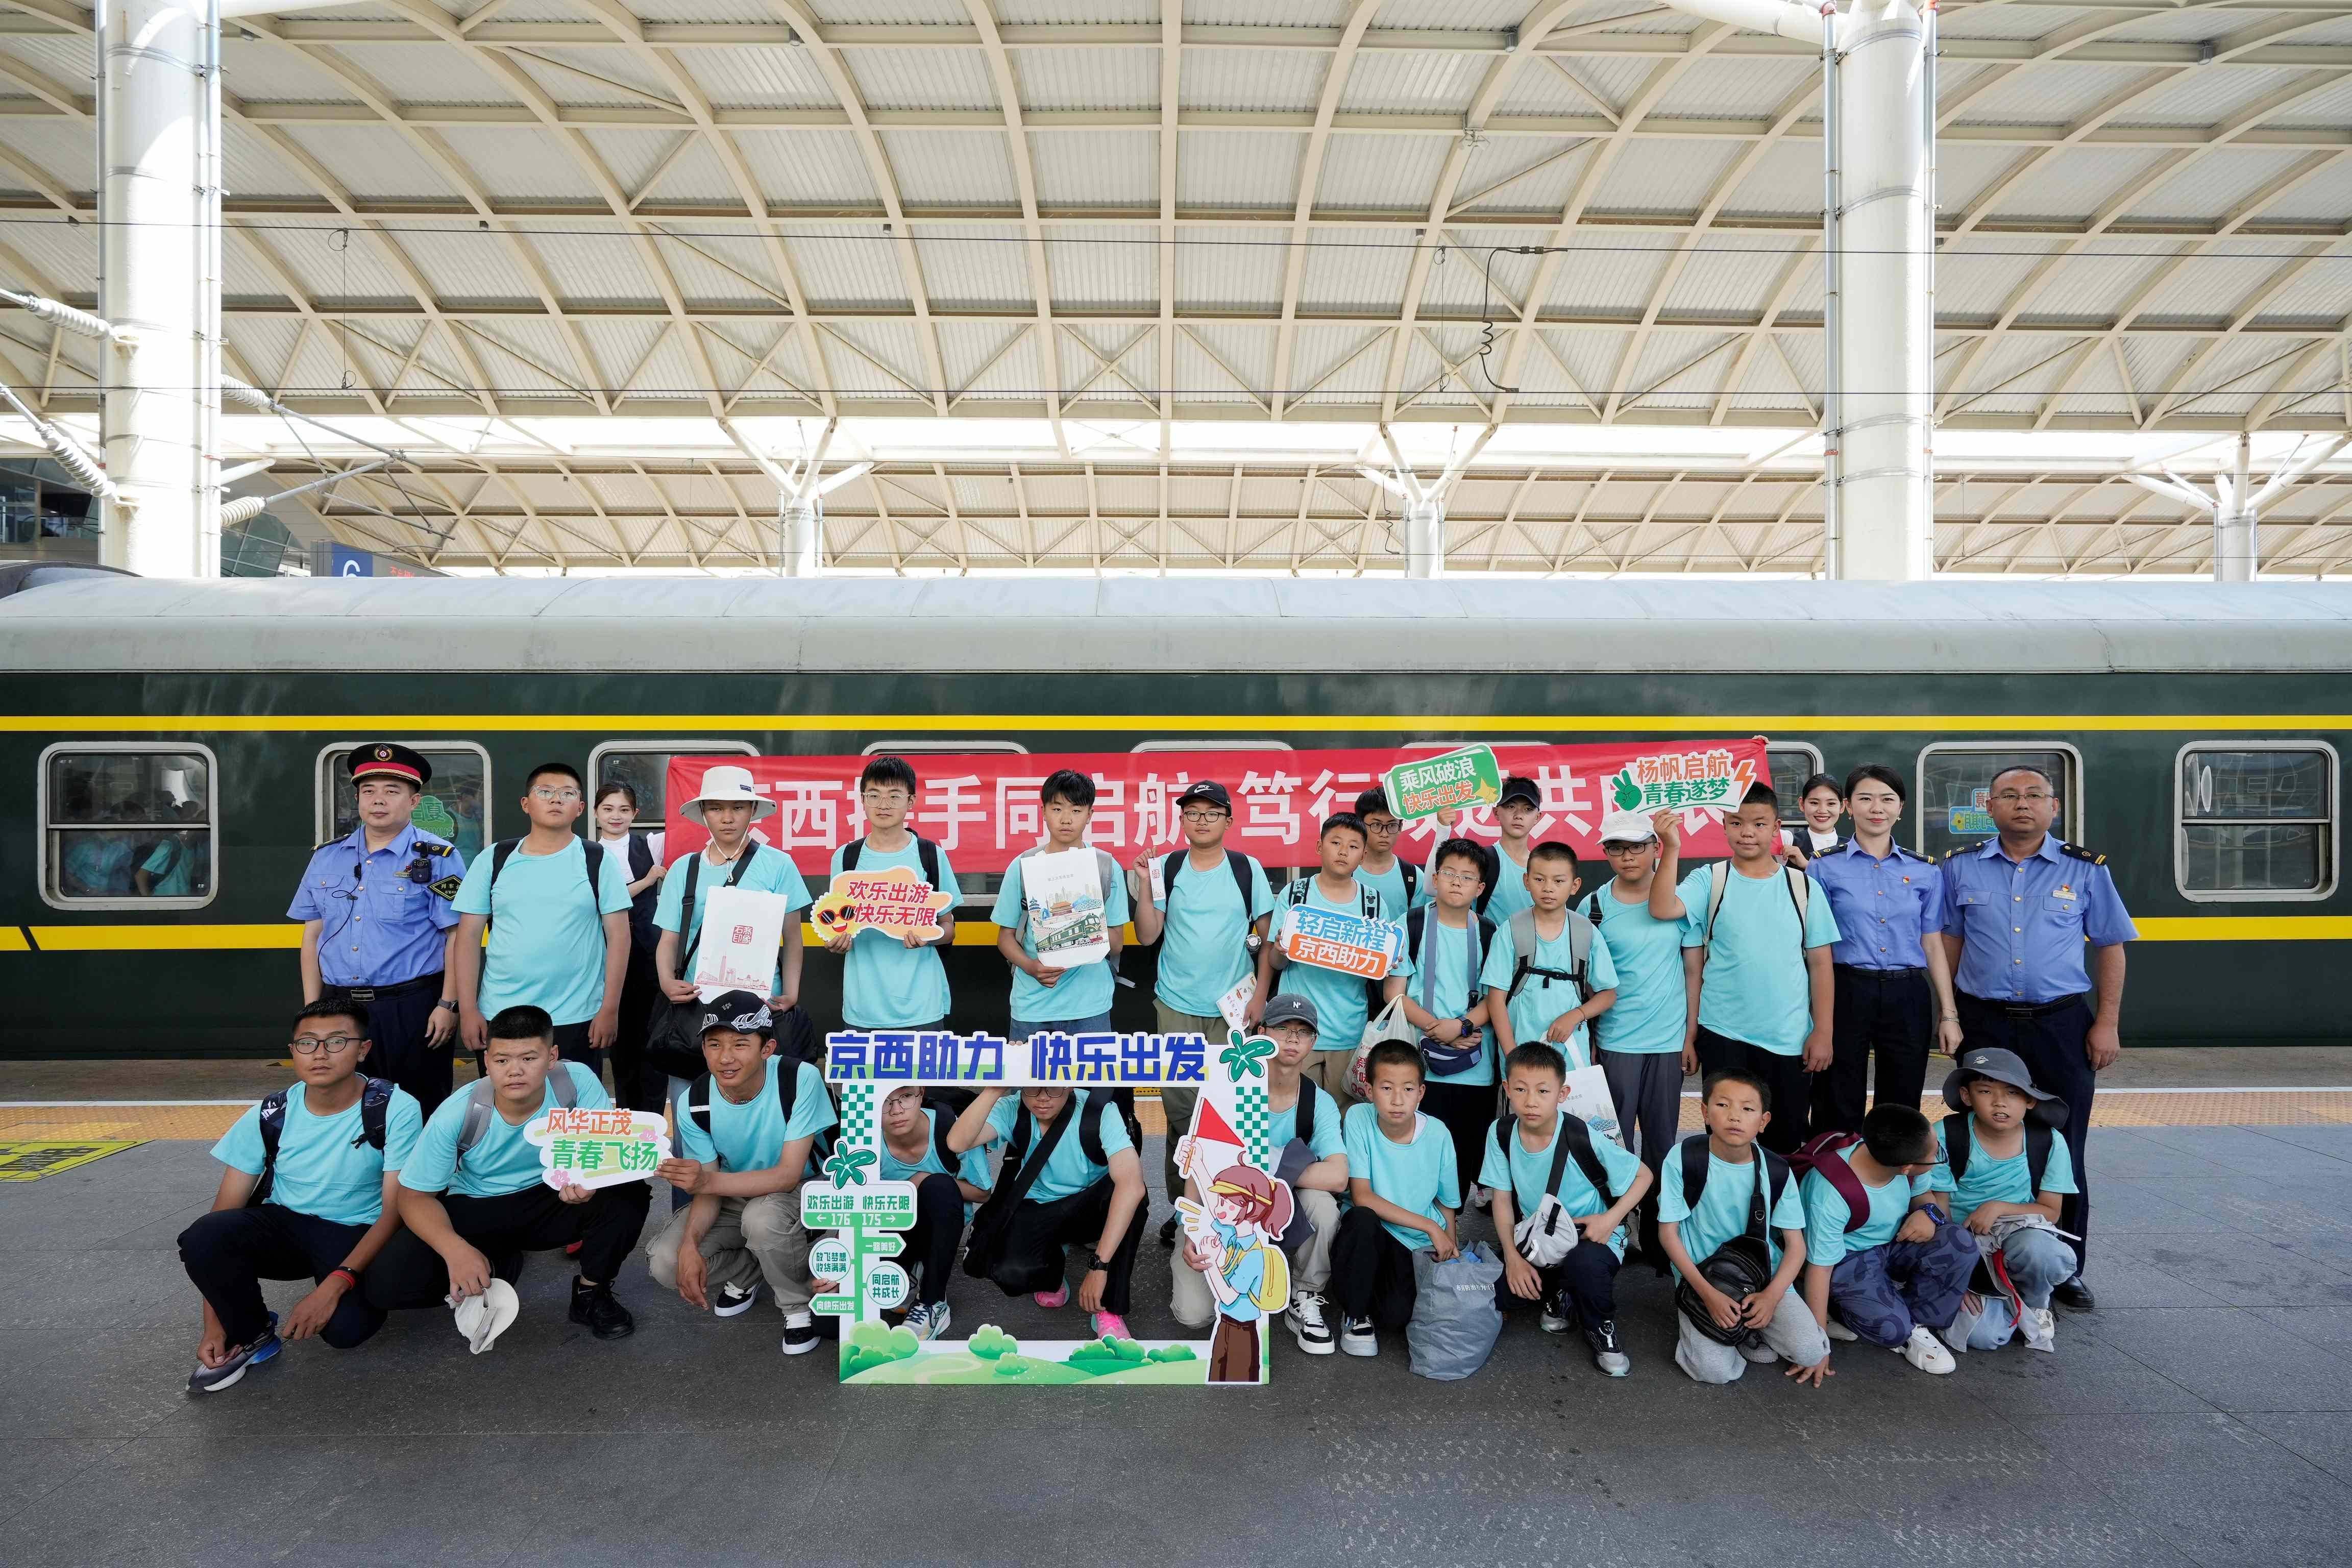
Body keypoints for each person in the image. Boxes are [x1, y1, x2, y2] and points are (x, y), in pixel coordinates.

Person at [1939, 763, 2133, 1313]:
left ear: (2054, 807)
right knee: (1978, 1132)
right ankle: (1968, 1256)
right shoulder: (1961, 868)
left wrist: (2107, 1022)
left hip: (2061, 1023)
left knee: (2065, 1143)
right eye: (2009, 795)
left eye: (2034, 795)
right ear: (1990, 807)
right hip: (1985, 1020)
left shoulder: (2086, 869)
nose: (2022, 804)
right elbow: (1949, 944)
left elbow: (2111, 946)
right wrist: (1948, 1014)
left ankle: (2065, 1266)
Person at [176, 999, 425, 1393]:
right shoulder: (271, 1112)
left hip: (357, 1230)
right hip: (286, 1225)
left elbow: (396, 1210)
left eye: (336, 1042)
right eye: (307, 1043)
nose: (320, 1054)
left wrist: (336, 1284)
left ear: (363, 1050)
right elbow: (220, 1218)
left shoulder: (394, 1107)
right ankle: (253, 1333)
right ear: (293, 1051)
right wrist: (216, 1325)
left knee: (346, 1332)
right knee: (203, 1235)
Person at [363, 1005, 649, 1343]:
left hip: (552, 1197)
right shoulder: (458, 1113)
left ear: (552, 1057)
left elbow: (605, 1151)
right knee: (384, 1286)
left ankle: (591, 1293)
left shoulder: (576, 1083)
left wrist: (587, 1180)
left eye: (529, 1058)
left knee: (628, 1192)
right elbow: (413, 1197)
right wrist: (456, 1251)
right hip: (479, 1204)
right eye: (502, 1060)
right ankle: (497, 1263)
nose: (515, 1071)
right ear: (487, 1061)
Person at [644, 990, 838, 1356]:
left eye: (740, 1044)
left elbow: (787, 1175)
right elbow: (708, 1190)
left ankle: (796, 1308)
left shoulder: (799, 1078)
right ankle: (753, 1269)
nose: (725, 1057)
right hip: (733, 1192)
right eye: (714, 1044)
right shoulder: (695, 1100)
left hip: (805, 1188)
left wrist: (707, 1182)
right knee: (667, 1262)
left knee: (762, 1218)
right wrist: (689, 1245)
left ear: (767, 1048)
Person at [1651, 784, 1841, 1156]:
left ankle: (1776, 1195)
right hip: (1723, 1033)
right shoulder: (1710, 880)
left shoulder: (1803, 887)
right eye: (1736, 823)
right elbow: (1662, 908)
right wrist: (1670, 846)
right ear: (1724, 825)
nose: (1747, 832)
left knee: (1784, 1141)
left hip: (1789, 1038)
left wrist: (1823, 1032)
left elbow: (1821, 965)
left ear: (1777, 827)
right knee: (1724, 1140)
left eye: (1759, 823)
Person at [1129, 777, 1272, 1237]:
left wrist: (1261, 995)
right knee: (1181, 1113)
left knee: (1230, 1111)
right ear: (1183, 820)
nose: (1202, 821)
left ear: (1229, 821)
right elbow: (1147, 935)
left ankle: (1229, 1207)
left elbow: (1267, 938)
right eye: (1193, 813)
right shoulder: (1168, 868)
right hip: (1176, 1005)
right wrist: (1145, 885)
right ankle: (1183, 1210)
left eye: (1212, 813)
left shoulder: (1247, 869)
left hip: (1234, 1011)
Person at [289, 744, 467, 1114]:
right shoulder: (326, 857)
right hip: (340, 1005)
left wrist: (448, 1005)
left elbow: (456, 936)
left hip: (412, 1007)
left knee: (419, 1106)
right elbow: (312, 935)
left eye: (392, 791)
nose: (378, 800)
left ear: (414, 802)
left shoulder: (438, 858)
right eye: (368, 791)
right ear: (357, 799)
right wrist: (312, 1010)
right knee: (344, 1109)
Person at [1171, 994, 1347, 1354]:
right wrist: (1192, 1230)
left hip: (1277, 1210)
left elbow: (1338, 1177)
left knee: (1324, 1206)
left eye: (1303, 1032)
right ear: (1261, 1033)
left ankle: (1305, 1292)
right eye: (1283, 1028)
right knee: (1194, 1315)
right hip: (1221, 1212)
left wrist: (1266, 1173)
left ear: (1313, 1042)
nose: (1293, 1038)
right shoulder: (1231, 1089)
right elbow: (1199, 1164)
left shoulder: (1318, 1102)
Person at [1804, 765, 1963, 1135]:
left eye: (1887, 799)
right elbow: (1816, 946)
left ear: (1900, 808)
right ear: (1848, 807)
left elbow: (1932, 943)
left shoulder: (1926, 872)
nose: (1877, 808)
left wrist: (1949, 1014)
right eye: (1865, 799)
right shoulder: (1823, 868)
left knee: (1902, 1097)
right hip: (1845, 989)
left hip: (1907, 992)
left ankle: (1893, 1169)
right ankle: (1837, 1168)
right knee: (1836, 1094)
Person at [451, 762, 633, 1085]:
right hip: (501, 1013)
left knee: (571, 1108)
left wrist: (610, 1008)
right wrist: (468, 1010)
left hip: (578, 1015)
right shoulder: (494, 858)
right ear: (526, 804)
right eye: (545, 792)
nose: (556, 799)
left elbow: (619, 937)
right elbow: (467, 937)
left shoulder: (597, 859)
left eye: (568, 794)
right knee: (509, 1103)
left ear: (580, 808)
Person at [653, 764, 813, 1120]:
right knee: (691, 1106)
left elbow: (793, 938)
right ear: (703, 813)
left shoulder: (778, 865)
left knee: (761, 1105)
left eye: (738, 807)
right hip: (696, 1005)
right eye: (716, 808)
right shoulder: (685, 868)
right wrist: (666, 982)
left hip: (760, 1005)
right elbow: (668, 939)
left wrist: (791, 992)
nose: (727, 818)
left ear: (753, 810)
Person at [1482, 1043, 1650, 1377]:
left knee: (1585, 1266)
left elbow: (1644, 1175)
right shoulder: (1501, 1132)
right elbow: (1501, 1198)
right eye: (1521, 1090)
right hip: (1540, 1238)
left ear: (1562, 1094)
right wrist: (1513, 1258)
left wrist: (1611, 1220)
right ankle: (1562, 1291)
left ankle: (1599, 1325)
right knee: (1496, 1294)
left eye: (1543, 1091)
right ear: (1507, 1090)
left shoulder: (1579, 1135)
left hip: (1591, 1235)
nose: (1531, 1101)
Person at [1654, 1069, 1829, 1386]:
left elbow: (1796, 1246)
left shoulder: (1776, 1169)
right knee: (1714, 1372)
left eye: (1748, 1109)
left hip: (1762, 1277)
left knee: (1811, 1352)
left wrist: (1772, 1297)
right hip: (1704, 1278)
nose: (1735, 1116)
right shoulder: (1684, 1158)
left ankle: (1746, 1329)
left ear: (1763, 1121)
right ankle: (1731, 1337)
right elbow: (1668, 1234)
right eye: (1723, 1105)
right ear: (1705, 1112)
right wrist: (1708, 1295)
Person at [949, 1083, 1148, 1341]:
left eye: (1053, 1089)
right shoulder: (1013, 1108)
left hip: (1090, 1204)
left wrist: (1100, 1267)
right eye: (1033, 1089)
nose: (1043, 1098)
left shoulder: (1099, 1111)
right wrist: (994, 1090)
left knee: (1132, 1202)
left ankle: (1109, 1308)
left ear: (1069, 1085)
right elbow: (957, 1142)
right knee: (1013, 1274)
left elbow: (1132, 1186)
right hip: (1038, 1204)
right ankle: (1052, 1268)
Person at [1576, 812, 1688, 1266]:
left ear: (1655, 848)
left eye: (1637, 846)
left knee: (1663, 1144)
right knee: (1613, 1147)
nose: (1627, 857)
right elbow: (1584, 979)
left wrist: (1691, 1035)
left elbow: (1694, 970)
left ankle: (1662, 1236)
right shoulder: (1593, 907)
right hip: (1616, 1042)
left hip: (1668, 1042)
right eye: (1616, 848)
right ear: (1606, 854)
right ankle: (1617, 1231)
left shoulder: (1679, 901)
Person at [1800, 1104, 1975, 1377]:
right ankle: (1845, 1309)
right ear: (1906, 1168)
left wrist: (1928, 1213)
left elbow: (1923, 1196)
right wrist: (1817, 1345)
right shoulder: (1830, 1194)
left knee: (1958, 1240)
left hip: (1893, 1242)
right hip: (1847, 1259)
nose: (1937, 1154)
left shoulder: (1898, 1154)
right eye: (1934, 1155)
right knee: (1892, 1330)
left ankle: (1917, 1323)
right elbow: (1820, 1269)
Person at [1927, 1047, 2079, 1353]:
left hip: (2020, 1234)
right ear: (1967, 1096)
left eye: (2013, 1093)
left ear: (2030, 1100)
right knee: (1984, 1338)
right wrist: (1956, 1277)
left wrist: (1997, 1208)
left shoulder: (2047, 1140)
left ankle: (2035, 1302)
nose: (2000, 1102)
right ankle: (2000, 1298)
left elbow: (2051, 1212)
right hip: (1963, 1242)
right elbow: (1939, 1209)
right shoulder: (1945, 1134)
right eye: (1985, 1091)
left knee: (2042, 1252)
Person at [1256, 812, 1412, 1105]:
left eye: (1353, 846)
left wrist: (1386, 964)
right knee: (1293, 1112)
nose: (1343, 852)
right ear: (1319, 847)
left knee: (1344, 1114)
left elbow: (1382, 970)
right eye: (1336, 843)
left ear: (1363, 855)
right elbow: (1276, 964)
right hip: (1297, 1031)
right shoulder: (1296, 894)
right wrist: (1280, 950)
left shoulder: (1372, 903)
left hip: (1349, 1032)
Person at [1331, 1040, 1461, 1358]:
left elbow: (1447, 1203)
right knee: (1361, 1218)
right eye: (1387, 1088)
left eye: (1408, 1089)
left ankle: (1365, 1287)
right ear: (1370, 1090)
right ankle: (1355, 1314)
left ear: (1421, 1093)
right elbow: (1362, 1196)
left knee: (1395, 1317)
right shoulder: (1359, 1118)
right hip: (1372, 1231)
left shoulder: (1439, 1133)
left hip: (1412, 1243)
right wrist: (1431, 1227)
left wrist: (1450, 1250)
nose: (1397, 1100)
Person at [1394, 836, 1503, 1196]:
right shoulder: (1409, 924)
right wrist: (1437, 1029)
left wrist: (1461, 1026)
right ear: (1435, 878)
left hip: (1475, 1064)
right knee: (1418, 1151)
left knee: (1464, 1154)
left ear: (1480, 888)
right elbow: (1394, 993)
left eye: (1468, 877)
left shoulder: (1489, 932)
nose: (1457, 882)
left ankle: (1451, 1224)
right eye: (1450, 873)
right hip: (1418, 1060)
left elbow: (1496, 997)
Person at [825, 754, 959, 1039]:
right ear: (862, 800)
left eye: (894, 796)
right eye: (874, 795)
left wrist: (929, 937)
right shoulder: (846, 858)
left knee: (924, 1072)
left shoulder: (930, 855)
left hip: (922, 1005)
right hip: (863, 1006)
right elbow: (835, 924)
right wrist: (836, 941)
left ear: (911, 802)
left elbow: (948, 927)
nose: (883, 805)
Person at [991, 770, 1129, 1043]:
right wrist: (1031, 967)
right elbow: (1005, 937)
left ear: (1090, 815)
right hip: (1032, 1005)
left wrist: (1087, 928)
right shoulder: (1023, 866)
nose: (1066, 819)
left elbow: (1117, 944)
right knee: (1028, 1074)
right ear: (1043, 812)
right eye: (1057, 809)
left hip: (1090, 1004)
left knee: (1089, 1074)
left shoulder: (1106, 867)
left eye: (1076, 810)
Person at [873, 1083, 992, 1343]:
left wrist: (924, 1179)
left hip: (939, 1224)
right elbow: (850, 1202)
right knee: (828, 1325)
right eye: (885, 1101)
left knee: (938, 1186)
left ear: (921, 1094)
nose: (896, 1110)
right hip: (888, 1225)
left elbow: (983, 1193)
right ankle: (910, 1271)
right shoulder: (865, 1135)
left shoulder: (951, 1127)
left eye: (906, 1096)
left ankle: (933, 1301)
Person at [592, 781, 667, 1113]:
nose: (616, 816)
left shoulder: (651, 845)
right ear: (595, 813)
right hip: (606, 957)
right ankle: (626, 1116)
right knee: (620, 1044)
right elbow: (602, 901)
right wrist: (648, 881)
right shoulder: (587, 854)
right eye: (608, 809)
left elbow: (694, 829)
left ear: (635, 814)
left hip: (650, 956)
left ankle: (653, 1120)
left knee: (653, 1039)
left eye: (624, 810)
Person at [1352, 788, 1430, 915]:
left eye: (1392, 825)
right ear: (1361, 825)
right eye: (1376, 825)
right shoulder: (1345, 871)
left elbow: (1424, 922)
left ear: (1400, 827)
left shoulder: (1414, 876)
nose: (1384, 834)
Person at [1479, 775, 1546, 923]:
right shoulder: (1481, 860)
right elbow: (1434, 891)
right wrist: (1443, 830)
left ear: (1537, 817)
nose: (1518, 815)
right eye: (1511, 807)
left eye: (1528, 809)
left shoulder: (1546, 866)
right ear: (1496, 812)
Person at [1785, 772, 1845, 865]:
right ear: (1802, 804)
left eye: (1831, 804)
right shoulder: (1788, 841)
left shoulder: (1853, 848)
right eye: (1814, 803)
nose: (1822, 811)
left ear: (1842, 807)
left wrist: (1807, 865)